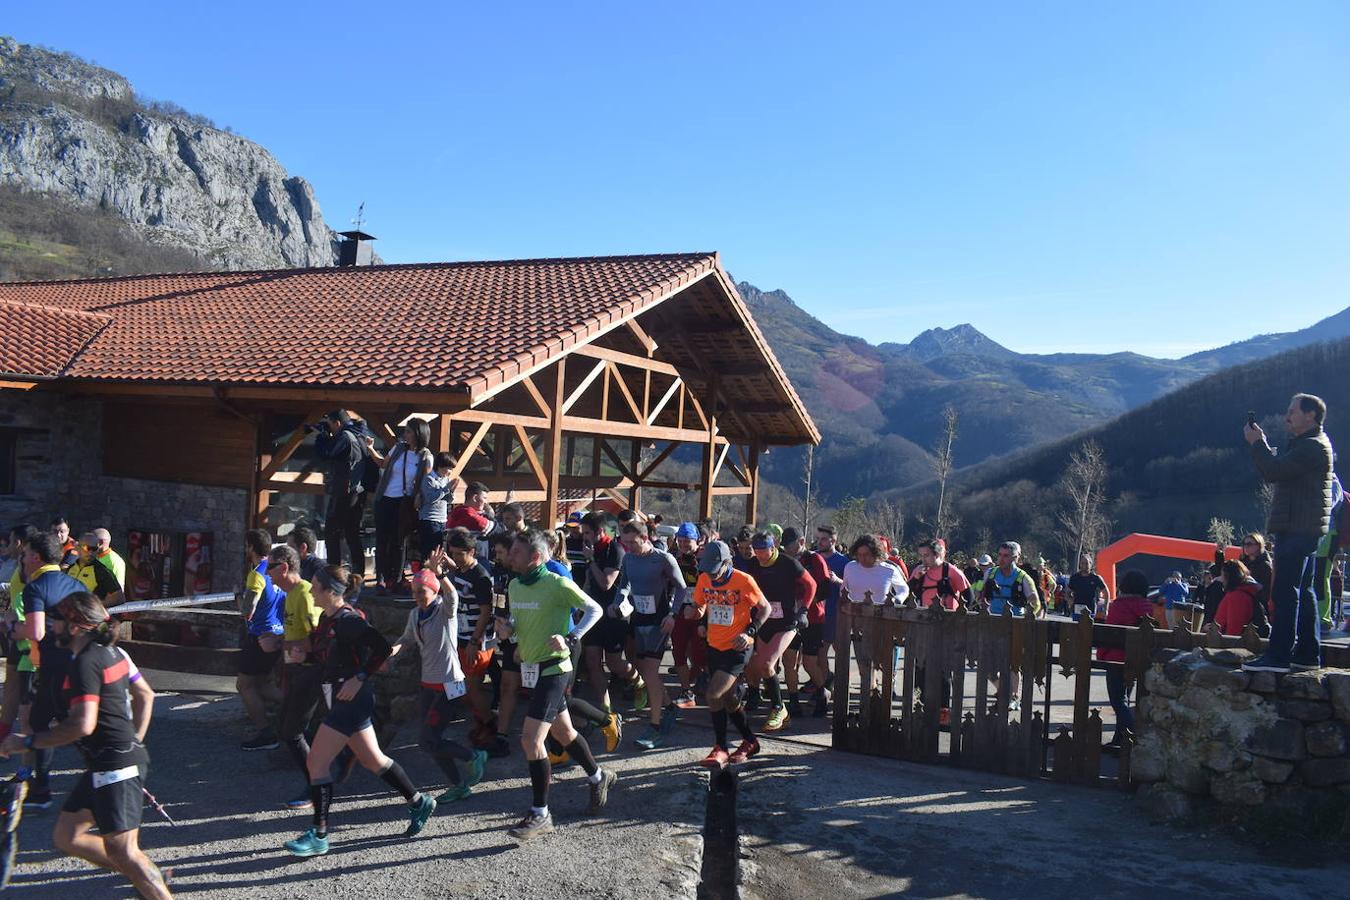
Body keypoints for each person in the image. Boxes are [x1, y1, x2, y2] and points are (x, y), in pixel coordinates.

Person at [0, 592, 170, 899]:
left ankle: (147, 877)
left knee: (123, 851)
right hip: (108, 764)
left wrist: (27, 741)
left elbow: (82, 724)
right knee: (67, 837)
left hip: (114, 767)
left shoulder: (84, 665)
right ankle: (147, 874)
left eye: (56, 621)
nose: (51, 626)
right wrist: (134, 743)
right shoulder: (115, 653)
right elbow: (146, 695)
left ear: (75, 626)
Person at [283, 564, 437, 856]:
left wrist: (360, 677)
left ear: (330, 592)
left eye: (315, 586)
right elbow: (332, 655)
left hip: (351, 699)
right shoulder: (328, 621)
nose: (311, 590)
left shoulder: (348, 621)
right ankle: (419, 802)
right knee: (374, 761)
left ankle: (319, 835)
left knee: (316, 764)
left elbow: (380, 648)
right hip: (342, 697)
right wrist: (306, 655)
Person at [495, 530, 614, 841]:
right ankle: (599, 776)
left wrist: (572, 636)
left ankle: (540, 813)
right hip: (533, 667)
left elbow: (595, 610)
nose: (511, 557)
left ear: (535, 557)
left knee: (531, 740)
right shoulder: (515, 585)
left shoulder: (557, 583)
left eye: (517, 553)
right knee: (564, 732)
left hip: (556, 668)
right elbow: (520, 622)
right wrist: (510, 632)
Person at [1243, 393, 1336, 673]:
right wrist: (1265, 446)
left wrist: (1257, 444)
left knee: (1285, 591)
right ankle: (1307, 653)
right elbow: (1280, 470)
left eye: (1292, 411)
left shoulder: (1310, 448)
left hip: (1296, 528)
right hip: (1304, 527)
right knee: (1304, 590)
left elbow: (1274, 471)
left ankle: (1279, 655)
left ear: (1310, 416)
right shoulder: (1312, 445)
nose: (1287, 416)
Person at [388, 550, 490, 803]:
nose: (418, 597)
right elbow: (407, 639)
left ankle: (472, 757)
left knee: (429, 738)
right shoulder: (415, 615)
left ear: (434, 592)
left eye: (422, 591)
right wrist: (392, 651)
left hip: (449, 683)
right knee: (428, 742)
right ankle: (458, 784)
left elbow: (453, 595)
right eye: (414, 592)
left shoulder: (444, 611)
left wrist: (440, 574)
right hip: (427, 684)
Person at [15, 533, 87, 808]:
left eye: (25, 554)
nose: (21, 558)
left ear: (35, 557)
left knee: (41, 724)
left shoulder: (35, 588)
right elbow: (100, 617)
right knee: (75, 724)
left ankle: (42, 789)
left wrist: (10, 627)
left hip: (51, 666)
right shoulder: (76, 583)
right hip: (79, 663)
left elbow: (35, 630)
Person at [687, 541, 771, 768]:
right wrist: (697, 614)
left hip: (738, 647)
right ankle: (750, 741)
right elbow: (701, 603)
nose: (711, 576)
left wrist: (750, 632)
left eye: (715, 570)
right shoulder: (705, 578)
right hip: (715, 644)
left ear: (727, 563)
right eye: (708, 570)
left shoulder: (744, 581)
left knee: (713, 694)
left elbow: (766, 608)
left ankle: (721, 748)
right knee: (728, 698)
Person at [614, 522, 683, 749]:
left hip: (660, 621)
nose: (629, 547)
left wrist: (673, 614)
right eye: (625, 543)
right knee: (644, 670)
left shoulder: (663, 559)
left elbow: (681, 588)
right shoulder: (628, 558)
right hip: (639, 618)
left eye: (633, 542)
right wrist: (618, 603)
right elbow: (623, 585)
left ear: (645, 538)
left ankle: (654, 727)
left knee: (651, 673)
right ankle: (670, 707)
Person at [268, 544, 323, 809]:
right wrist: (280, 641)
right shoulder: (289, 594)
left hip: (309, 671)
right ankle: (320, 778)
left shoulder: (304, 593)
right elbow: (295, 633)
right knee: (286, 728)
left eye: (270, 567)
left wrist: (285, 646)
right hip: (296, 670)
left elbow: (316, 636)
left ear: (284, 567)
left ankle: (317, 786)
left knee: (292, 732)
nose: (267, 573)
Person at [744, 531, 815, 733]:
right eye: (755, 550)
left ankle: (778, 708)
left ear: (772, 547)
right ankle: (779, 709)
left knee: (766, 663)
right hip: (764, 621)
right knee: (760, 665)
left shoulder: (788, 563)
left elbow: (811, 584)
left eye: (763, 550)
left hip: (787, 622)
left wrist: (803, 611)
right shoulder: (754, 564)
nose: (759, 554)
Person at [578, 512, 642, 717]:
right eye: (583, 532)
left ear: (599, 531)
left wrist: (591, 561)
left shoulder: (614, 549)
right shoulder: (592, 549)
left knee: (614, 662)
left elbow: (606, 584)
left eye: (587, 532)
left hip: (614, 614)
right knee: (592, 660)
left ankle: (639, 682)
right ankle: (606, 709)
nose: (584, 536)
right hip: (593, 613)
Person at [445, 527, 499, 752]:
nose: (456, 558)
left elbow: (486, 612)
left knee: (472, 688)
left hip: (477, 640)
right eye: (453, 553)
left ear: (473, 552)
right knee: (460, 688)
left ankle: (491, 725)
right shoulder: (458, 571)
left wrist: (475, 641)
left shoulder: (480, 577)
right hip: (459, 636)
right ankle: (482, 720)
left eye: (460, 554)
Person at [365, 418, 433, 593]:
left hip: (404, 502)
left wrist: (419, 498)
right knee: (381, 540)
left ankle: (394, 579)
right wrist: (371, 448)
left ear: (419, 434)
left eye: (409, 431)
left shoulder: (425, 456)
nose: (406, 435)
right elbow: (382, 463)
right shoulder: (398, 448)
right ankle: (380, 579)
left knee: (399, 542)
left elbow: (425, 483)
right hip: (385, 498)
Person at [1097, 570, 1156, 750]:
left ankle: (1132, 736)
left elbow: (1110, 634)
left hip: (1116, 658)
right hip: (1135, 659)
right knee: (1125, 699)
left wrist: (1101, 654)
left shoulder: (1118, 606)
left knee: (1118, 701)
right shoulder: (1147, 607)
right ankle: (1119, 740)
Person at [239, 529, 286, 751]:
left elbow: (248, 611)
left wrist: (238, 598)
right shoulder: (277, 569)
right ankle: (296, 714)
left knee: (245, 685)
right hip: (278, 635)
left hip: (260, 637)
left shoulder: (257, 574)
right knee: (264, 683)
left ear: (250, 547)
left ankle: (265, 732)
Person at [980, 541, 1040, 711]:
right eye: (999, 555)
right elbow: (981, 595)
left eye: (1006, 556)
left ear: (1016, 557)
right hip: (993, 624)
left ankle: (1013, 698)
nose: (1001, 558)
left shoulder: (1023, 577)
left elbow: (1035, 603)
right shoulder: (990, 574)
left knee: (1013, 664)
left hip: (1016, 626)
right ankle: (1004, 692)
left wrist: (1028, 618)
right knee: (988, 665)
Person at [313, 410, 369, 578]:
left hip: (345, 491)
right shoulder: (358, 434)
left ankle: (333, 572)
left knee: (332, 532)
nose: (328, 427)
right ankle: (358, 573)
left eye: (329, 424)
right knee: (352, 533)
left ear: (337, 423)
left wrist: (322, 436)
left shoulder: (345, 437)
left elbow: (326, 453)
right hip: (357, 491)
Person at [781, 527, 829, 718]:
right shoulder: (784, 560)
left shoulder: (815, 559)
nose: (786, 550)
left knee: (810, 662)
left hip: (813, 618)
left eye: (789, 546)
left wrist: (806, 603)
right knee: (789, 660)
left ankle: (822, 691)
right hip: (789, 617)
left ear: (801, 542)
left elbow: (825, 588)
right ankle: (793, 700)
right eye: (784, 546)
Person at [669, 522, 707, 710]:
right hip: (680, 612)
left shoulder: (705, 559)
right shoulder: (674, 558)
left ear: (697, 540)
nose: (683, 544)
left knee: (701, 654)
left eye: (687, 541)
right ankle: (686, 690)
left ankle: (704, 679)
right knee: (678, 651)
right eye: (681, 540)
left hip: (700, 612)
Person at [908, 539, 972, 611]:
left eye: (926, 555)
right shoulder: (918, 570)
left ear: (937, 554)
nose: (923, 559)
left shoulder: (952, 571)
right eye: (921, 556)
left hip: (948, 617)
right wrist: (916, 578)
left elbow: (969, 597)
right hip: (924, 617)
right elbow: (906, 592)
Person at [416, 453, 457, 563]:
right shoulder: (429, 479)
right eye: (449, 468)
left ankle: (435, 575)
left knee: (439, 551)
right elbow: (430, 498)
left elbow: (447, 501)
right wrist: (445, 489)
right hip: (429, 519)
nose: (450, 471)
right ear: (440, 466)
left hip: (442, 520)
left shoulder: (446, 479)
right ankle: (424, 576)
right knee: (428, 552)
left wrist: (451, 492)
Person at [68, 533, 125, 607]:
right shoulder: (70, 568)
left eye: (94, 549)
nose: (90, 553)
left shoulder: (101, 571)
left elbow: (119, 598)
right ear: (78, 547)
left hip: (89, 617)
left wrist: (94, 607)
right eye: (87, 548)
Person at [1214, 560, 1263, 636]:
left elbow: (1234, 630)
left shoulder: (1237, 596)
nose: (1221, 579)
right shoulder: (1244, 592)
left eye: (1222, 575)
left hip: (1226, 643)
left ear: (1228, 576)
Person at [1067, 554, 1109, 621]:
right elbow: (1068, 591)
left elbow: (1106, 593)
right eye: (1082, 563)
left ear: (1090, 564)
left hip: (1090, 609)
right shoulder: (1074, 578)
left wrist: (1105, 608)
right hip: (1077, 609)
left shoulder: (1096, 578)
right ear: (1080, 564)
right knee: (1076, 630)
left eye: (1087, 563)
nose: (1084, 565)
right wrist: (1069, 600)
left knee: (1088, 629)